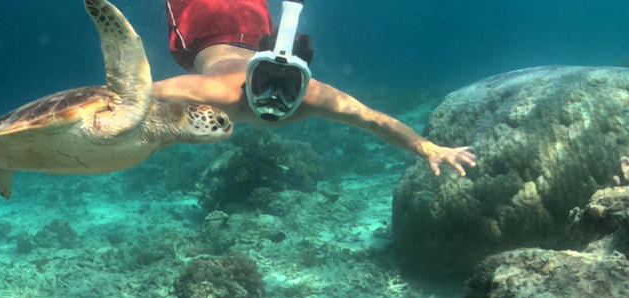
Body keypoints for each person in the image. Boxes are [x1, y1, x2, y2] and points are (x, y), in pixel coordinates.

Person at [153, 0, 477, 176]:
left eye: (288, 86)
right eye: (265, 81)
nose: (272, 98)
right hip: (201, 27)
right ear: (250, 73)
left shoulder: (315, 98)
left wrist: (427, 148)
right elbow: (132, 93)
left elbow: (373, 119)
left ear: (306, 85)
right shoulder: (218, 91)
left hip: (243, 24)